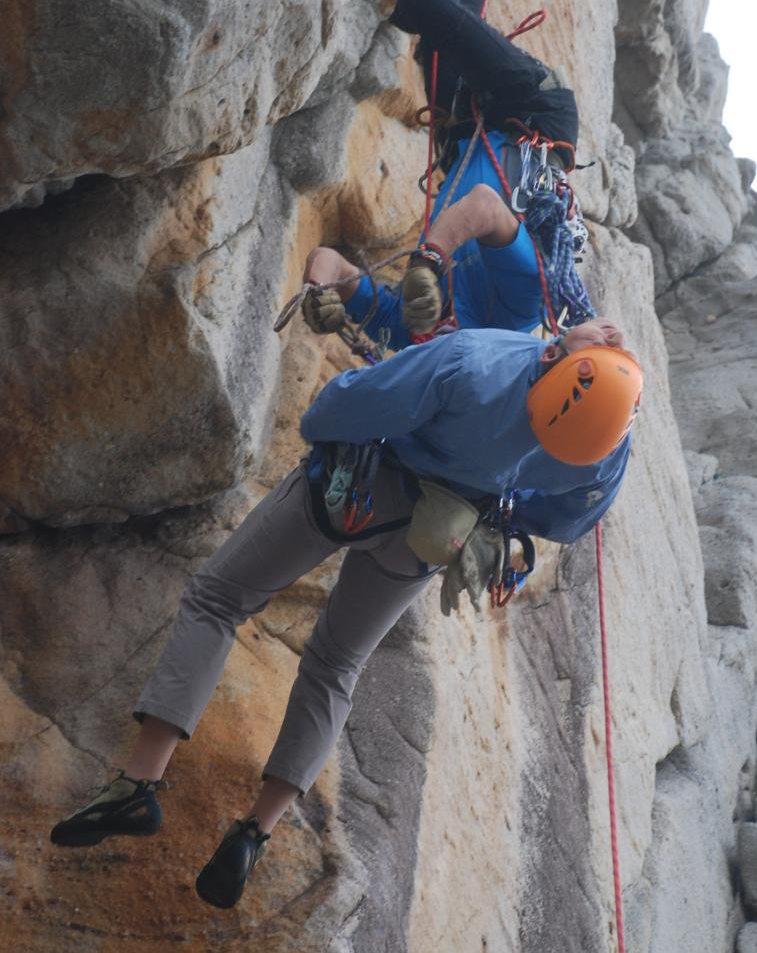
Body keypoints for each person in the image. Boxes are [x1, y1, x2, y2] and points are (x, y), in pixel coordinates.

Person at [49, 318, 642, 909]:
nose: (614, 335)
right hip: (431, 536)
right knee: (335, 665)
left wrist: (317, 422)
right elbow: (566, 520)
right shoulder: (607, 442)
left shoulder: (476, 359)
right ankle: (255, 831)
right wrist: (496, 485)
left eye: (602, 344)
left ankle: (139, 782)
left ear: (556, 358)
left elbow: (358, 403)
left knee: (219, 599)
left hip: (354, 491)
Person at [302, 0, 594, 349]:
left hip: (464, 133)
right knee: (427, 8)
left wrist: (319, 287)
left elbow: (333, 265)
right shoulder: (522, 307)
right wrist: (430, 259)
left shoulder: (418, 327)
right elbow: (483, 207)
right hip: (531, 113)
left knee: (439, 42)